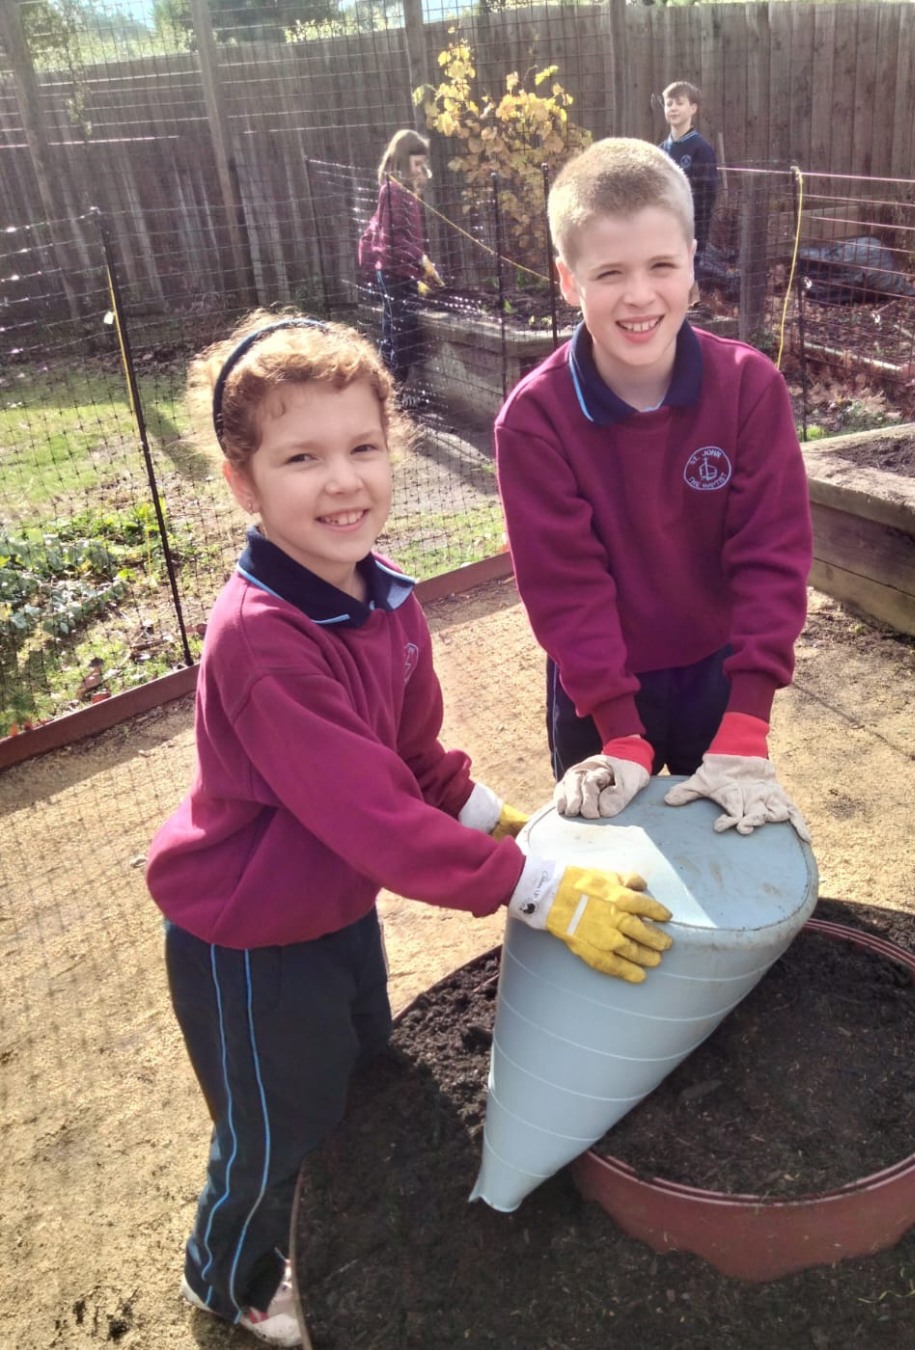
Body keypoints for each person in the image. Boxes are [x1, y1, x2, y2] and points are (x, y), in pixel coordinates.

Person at [146, 311, 673, 1347]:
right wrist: (543, 890)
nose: (343, 482)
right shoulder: (261, 642)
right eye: (302, 459)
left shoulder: (381, 598)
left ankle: (324, 1228)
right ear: (243, 482)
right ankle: (229, 1275)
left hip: (330, 912)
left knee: (357, 1071)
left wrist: (510, 824)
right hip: (247, 938)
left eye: (362, 448)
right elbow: (379, 821)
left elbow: (419, 765)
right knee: (274, 1126)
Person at [494, 139, 812, 842]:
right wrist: (620, 730)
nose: (639, 295)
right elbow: (564, 585)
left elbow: (772, 555)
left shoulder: (750, 389)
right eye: (609, 272)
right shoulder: (534, 420)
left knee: (726, 854)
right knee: (608, 866)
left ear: (694, 263)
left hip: (718, 672)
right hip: (597, 687)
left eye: (661, 266)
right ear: (568, 281)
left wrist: (749, 718)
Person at [358, 128, 443, 394]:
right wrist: (418, 263)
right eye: (417, 164)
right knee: (402, 331)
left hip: (399, 271)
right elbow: (392, 240)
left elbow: (406, 236)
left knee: (392, 325)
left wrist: (421, 261)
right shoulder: (393, 193)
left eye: (422, 164)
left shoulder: (401, 191)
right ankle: (396, 388)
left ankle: (384, 381)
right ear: (403, 161)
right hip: (397, 272)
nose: (420, 169)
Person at [659, 81, 719, 285]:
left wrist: (695, 234)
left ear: (693, 108)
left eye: (679, 103)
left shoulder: (701, 150)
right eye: (668, 104)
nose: (673, 108)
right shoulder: (660, 151)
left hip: (690, 232)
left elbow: (706, 197)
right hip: (662, 231)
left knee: (687, 286)